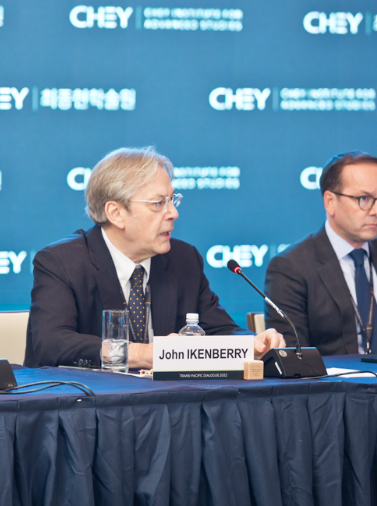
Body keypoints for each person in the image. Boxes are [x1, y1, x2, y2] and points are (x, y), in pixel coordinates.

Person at [24, 147, 284, 368]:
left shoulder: (184, 259)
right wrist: (143, 353)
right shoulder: (61, 262)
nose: (173, 213)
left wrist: (251, 344)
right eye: (158, 203)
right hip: (86, 405)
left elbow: (218, 329)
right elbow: (52, 344)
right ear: (116, 213)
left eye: (172, 200)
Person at [264, 152, 377, 356]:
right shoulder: (291, 268)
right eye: (364, 199)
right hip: (336, 376)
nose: (376, 211)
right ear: (330, 202)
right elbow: (294, 355)